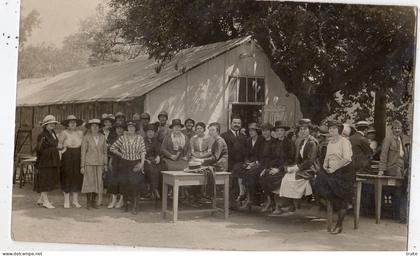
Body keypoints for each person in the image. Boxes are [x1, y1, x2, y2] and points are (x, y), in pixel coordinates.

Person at [315, 120, 353, 234]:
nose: (331, 130)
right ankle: (329, 200)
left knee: (340, 194)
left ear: (339, 130)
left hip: (344, 172)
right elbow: (326, 158)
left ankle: (339, 224)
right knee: (318, 179)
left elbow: (346, 159)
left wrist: (333, 168)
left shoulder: (344, 141)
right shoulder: (330, 142)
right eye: (330, 128)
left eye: (334, 128)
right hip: (331, 170)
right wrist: (325, 166)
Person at [279, 118, 318, 213]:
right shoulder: (302, 142)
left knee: (294, 177)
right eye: (301, 129)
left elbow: (310, 161)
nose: (303, 131)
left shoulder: (312, 142)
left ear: (310, 130)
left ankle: (293, 201)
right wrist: (293, 167)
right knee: (287, 176)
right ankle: (289, 202)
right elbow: (299, 159)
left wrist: (296, 168)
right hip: (303, 167)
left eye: (305, 129)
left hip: (311, 168)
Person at [110, 120, 146, 214]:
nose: (131, 128)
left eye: (132, 127)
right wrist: (121, 155)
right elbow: (112, 148)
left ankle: (135, 206)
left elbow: (143, 151)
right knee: (124, 183)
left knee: (135, 183)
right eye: (129, 127)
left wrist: (142, 163)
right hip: (124, 163)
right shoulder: (122, 138)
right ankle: (126, 204)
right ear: (127, 128)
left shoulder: (140, 138)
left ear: (135, 128)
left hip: (136, 163)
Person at [379, 120, 407, 222]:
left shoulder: (402, 139)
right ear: (392, 129)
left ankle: (398, 215)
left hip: (401, 167)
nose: (397, 130)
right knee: (396, 191)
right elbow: (384, 154)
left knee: (400, 191)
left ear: (401, 129)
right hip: (392, 167)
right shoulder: (388, 139)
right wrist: (382, 169)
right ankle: (397, 215)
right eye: (395, 128)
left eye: (399, 128)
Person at [266, 121, 296, 214]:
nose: (279, 132)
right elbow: (270, 157)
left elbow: (290, 159)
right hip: (274, 168)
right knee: (264, 177)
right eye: (277, 130)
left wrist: (278, 169)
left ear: (285, 132)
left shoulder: (289, 143)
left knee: (274, 179)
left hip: (286, 168)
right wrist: (270, 168)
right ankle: (272, 202)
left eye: (281, 130)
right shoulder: (274, 142)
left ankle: (281, 205)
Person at [34, 115, 61, 209]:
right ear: (45, 125)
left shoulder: (53, 133)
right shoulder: (42, 135)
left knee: (49, 178)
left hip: (53, 159)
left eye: (53, 124)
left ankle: (41, 199)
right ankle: (45, 202)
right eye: (50, 124)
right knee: (45, 179)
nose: (52, 125)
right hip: (46, 160)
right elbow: (39, 149)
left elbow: (55, 144)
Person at [80, 119, 108, 210]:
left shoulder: (103, 137)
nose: (95, 127)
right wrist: (82, 166)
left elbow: (105, 152)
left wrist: (105, 164)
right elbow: (83, 152)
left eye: (97, 126)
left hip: (100, 163)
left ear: (99, 128)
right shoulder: (86, 137)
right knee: (89, 182)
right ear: (90, 127)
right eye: (93, 126)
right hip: (89, 163)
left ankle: (94, 202)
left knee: (98, 182)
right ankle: (88, 202)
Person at [58, 115, 84, 209]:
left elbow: (83, 145)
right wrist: (63, 149)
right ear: (67, 124)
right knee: (67, 175)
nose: (73, 123)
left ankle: (75, 201)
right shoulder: (64, 132)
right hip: (67, 154)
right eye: (70, 122)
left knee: (77, 176)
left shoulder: (80, 133)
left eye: (74, 122)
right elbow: (59, 145)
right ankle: (66, 201)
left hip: (78, 154)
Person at [221, 116, 247, 208]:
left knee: (239, 182)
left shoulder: (244, 137)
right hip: (229, 164)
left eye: (238, 123)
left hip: (241, 164)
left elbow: (246, 151)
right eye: (235, 123)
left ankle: (238, 201)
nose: (236, 125)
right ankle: (229, 203)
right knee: (230, 183)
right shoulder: (224, 136)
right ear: (231, 123)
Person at [237, 122, 264, 207]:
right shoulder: (248, 141)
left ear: (257, 131)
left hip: (260, 163)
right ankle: (242, 192)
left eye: (253, 130)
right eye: (250, 130)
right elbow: (246, 155)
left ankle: (250, 198)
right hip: (250, 162)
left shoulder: (262, 140)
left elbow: (263, 155)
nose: (251, 132)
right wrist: (247, 162)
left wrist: (254, 163)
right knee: (238, 169)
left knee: (249, 174)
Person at [144, 123, 167, 200]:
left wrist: (158, 157)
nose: (150, 133)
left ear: (154, 133)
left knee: (163, 167)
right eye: (148, 131)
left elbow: (160, 152)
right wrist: (146, 160)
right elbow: (139, 152)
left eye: (152, 131)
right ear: (146, 132)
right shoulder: (142, 141)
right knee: (151, 169)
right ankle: (154, 190)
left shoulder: (156, 141)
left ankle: (159, 189)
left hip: (155, 160)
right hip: (145, 160)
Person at [106, 121, 126, 209]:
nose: (119, 130)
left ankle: (121, 200)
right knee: (113, 179)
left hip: (124, 161)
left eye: (121, 128)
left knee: (122, 180)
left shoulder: (126, 138)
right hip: (115, 161)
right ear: (115, 129)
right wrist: (110, 160)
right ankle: (113, 200)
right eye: (118, 128)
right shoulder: (112, 139)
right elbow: (109, 152)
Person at [99, 113, 115, 206]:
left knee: (110, 175)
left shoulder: (113, 132)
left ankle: (111, 199)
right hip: (100, 156)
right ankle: (99, 198)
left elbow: (115, 143)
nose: (107, 123)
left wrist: (109, 146)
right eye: (106, 122)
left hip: (110, 156)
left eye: (109, 122)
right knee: (100, 176)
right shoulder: (100, 131)